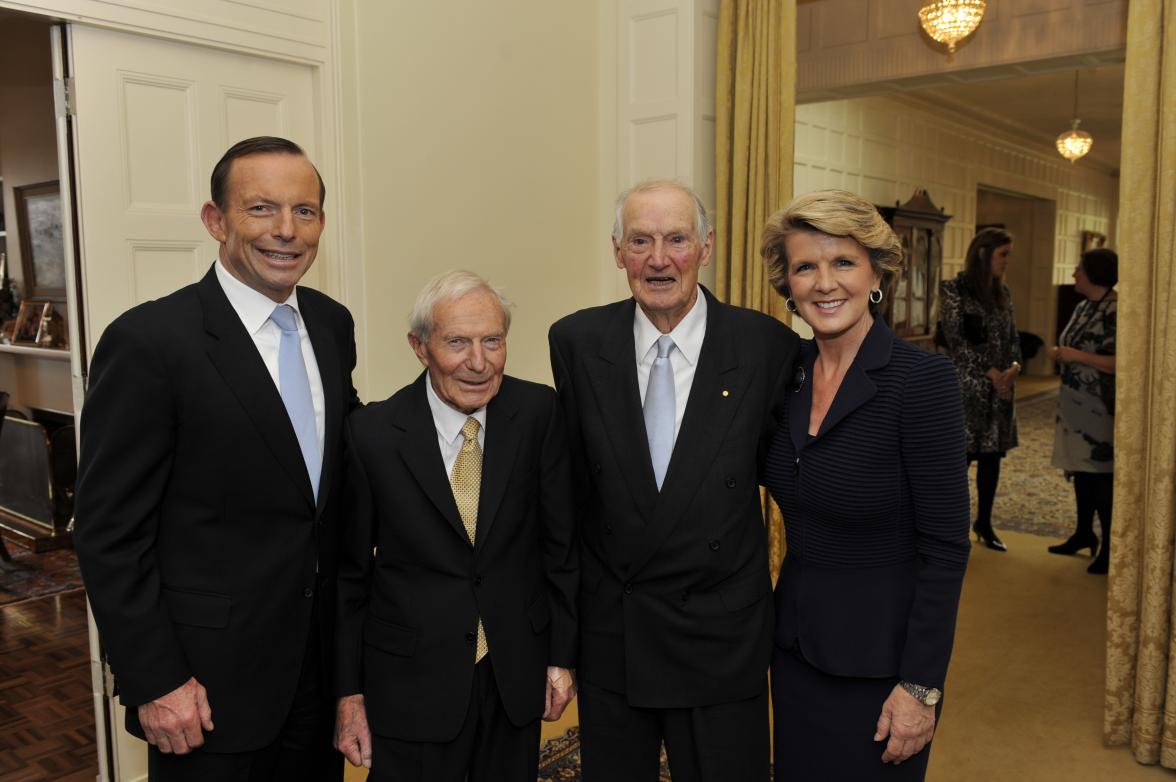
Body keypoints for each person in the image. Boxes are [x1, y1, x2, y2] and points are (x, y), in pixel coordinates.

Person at [74, 137, 359, 781]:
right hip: (203, 689)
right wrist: (155, 678)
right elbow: (108, 532)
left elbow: (331, 478)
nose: (287, 231)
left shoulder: (332, 325)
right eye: (261, 209)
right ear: (216, 220)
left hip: (317, 676)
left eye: (306, 211)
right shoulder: (149, 342)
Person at [548, 180, 799, 782]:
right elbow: (570, 501)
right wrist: (563, 642)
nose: (658, 259)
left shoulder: (766, 346)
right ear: (617, 251)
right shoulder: (578, 342)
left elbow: (792, 482)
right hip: (616, 632)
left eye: (676, 239)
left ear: (706, 247)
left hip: (720, 632)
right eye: (640, 240)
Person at [333, 271, 578, 782]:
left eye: (493, 341)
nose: (479, 362)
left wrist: (561, 656)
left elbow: (560, 549)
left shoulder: (538, 414)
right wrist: (348, 693)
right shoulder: (372, 435)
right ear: (419, 347)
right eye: (457, 343)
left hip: (513, 670)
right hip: (410, 681)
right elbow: (349, 577)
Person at [759, 189, 971, 780]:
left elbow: (947, 548)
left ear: (875, 272)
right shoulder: (785, 375)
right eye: (806, 266)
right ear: (789, 285)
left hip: (885, 668)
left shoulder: (922, 382)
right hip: (795, 652)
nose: (825, 283)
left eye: (843, 263)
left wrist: (921, 687)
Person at [938, 227, 1022, 552]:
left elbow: (1014, 337)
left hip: (1000, 391)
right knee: (960, 460)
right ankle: (949, 527)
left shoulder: (1005, 293)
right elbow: (955, 340)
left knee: (992, 458)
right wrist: (992, 374)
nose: (1007, 262)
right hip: (967, 388)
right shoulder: (955, 289)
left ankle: (984, 522)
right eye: (1004, 255)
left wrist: (1013, 370)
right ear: (985, 254)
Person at [1047, 248, 1117, 574]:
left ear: (1094, 273)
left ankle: (1110, 548)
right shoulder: (1083, 306)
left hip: (1101, 408)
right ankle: (1083, 532)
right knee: (1080, 471)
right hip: (1075, 404)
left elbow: (1122, 361)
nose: (1074, 273)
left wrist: (1075, 356)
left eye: (1079, 268)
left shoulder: (1116, 309)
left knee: (1100, 476)